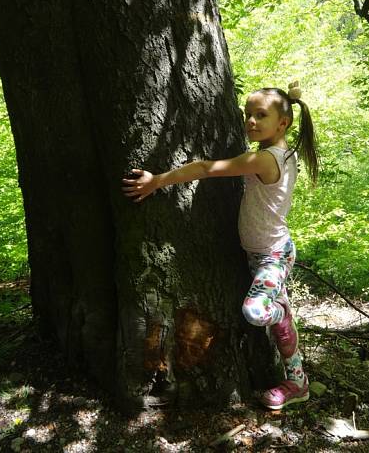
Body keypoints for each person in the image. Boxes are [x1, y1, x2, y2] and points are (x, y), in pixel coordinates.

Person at [121, 81, 320, 410]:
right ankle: (298, 383)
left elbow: (204, 169)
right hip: (260, 253)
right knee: (278, 327)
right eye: (247, 115)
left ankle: (281, 313)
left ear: (283, 123)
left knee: (258, 312)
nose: (250, 122)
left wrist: (157, 181)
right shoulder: (281, 154)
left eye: (260, 115)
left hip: (273, 255)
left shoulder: (266, 160)